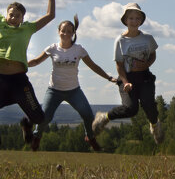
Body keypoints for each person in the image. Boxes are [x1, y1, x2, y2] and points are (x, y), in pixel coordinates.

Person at [0, 0, 56, 155]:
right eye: (11, 14)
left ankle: (26, 124)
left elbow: (50, 15)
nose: (13, 18)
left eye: (17, 15)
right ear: (6, 15)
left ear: (22, 19)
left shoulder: (27, 29)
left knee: (39, 117)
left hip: (19, 82)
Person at [27, 16, 116, 151]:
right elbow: (35, 61)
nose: (66, 34)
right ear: (58, 32)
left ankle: (90, 138)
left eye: (69, 31)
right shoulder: (52, 48)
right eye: (63, 31)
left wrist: (109, 78)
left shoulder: (78, 49)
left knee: (87, 115)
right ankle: (36, 137)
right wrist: (20, 64)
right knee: (45, 117)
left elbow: (93, 66)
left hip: (73, 90)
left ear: (73, 33)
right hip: (54, 90)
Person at [92, 3, 163, 143]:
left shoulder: (148, 38)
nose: (134, 21)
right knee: (131, 109)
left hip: (145, 77)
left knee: (149, 104)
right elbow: (119, 65)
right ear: (125, 20)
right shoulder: (120, 41)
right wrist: (125, 82)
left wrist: (146, 64)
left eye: (137, 18)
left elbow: (153, 55)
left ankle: (155, 126)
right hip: (127, 77)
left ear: (141, 21)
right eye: (131, 18)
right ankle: (104, 117)